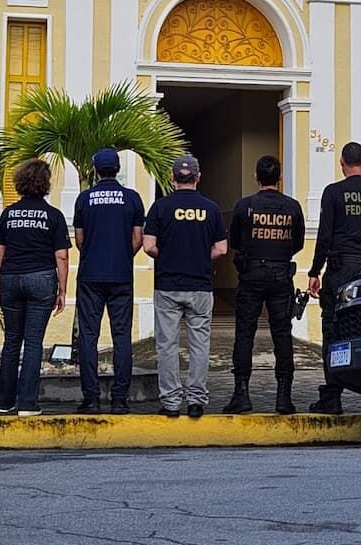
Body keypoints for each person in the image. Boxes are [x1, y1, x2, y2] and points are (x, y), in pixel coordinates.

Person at [307, 141, 361, 416]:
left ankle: (332, 397)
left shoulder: (333, 193)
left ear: (342, 162)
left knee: (334, 332)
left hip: (340, 270)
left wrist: (314, 271)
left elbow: (325, 236)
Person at [143, 155, 228, 418]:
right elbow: (221, 249)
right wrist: (201, 256)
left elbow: (148, 246)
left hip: (168, 284)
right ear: (198, 177)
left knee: (166, 344)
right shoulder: (211, 208)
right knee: (199, 344)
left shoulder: (160, 207)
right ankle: (196, 401)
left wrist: (168, 255)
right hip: (200, 284)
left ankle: (170, 402)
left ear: (172, 178)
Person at [224, 155, 306, 415]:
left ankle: (242, 394)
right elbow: (298, 243)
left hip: (251, 274)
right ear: (279, 178)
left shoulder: (244, 205)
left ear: (257, 177)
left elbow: (235, 240)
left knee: (244, 333)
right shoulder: (292, 207)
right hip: (281, 274)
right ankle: (284, 398)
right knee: (282, 334)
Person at [0, 159, 71, 417]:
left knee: (11, 341)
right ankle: (27, 404)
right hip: (41, 279)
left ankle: (4, 402)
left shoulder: (9, 213)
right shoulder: (53, 216)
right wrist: (62, 289)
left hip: (11, 278)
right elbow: (61, 256)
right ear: (45, 184)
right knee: (34, 343)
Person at [73, 148, 145, 416]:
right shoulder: (132, 198)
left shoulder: (84, 199)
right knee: (122, 336)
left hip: (91, 275)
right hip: (121, 275)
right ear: (117, 169)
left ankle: (91, 399)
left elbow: (79, 240)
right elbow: (137, 238)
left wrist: (94, 254)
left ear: (95, 170)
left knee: (89, 338)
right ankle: (120, 400)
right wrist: (124, 257)